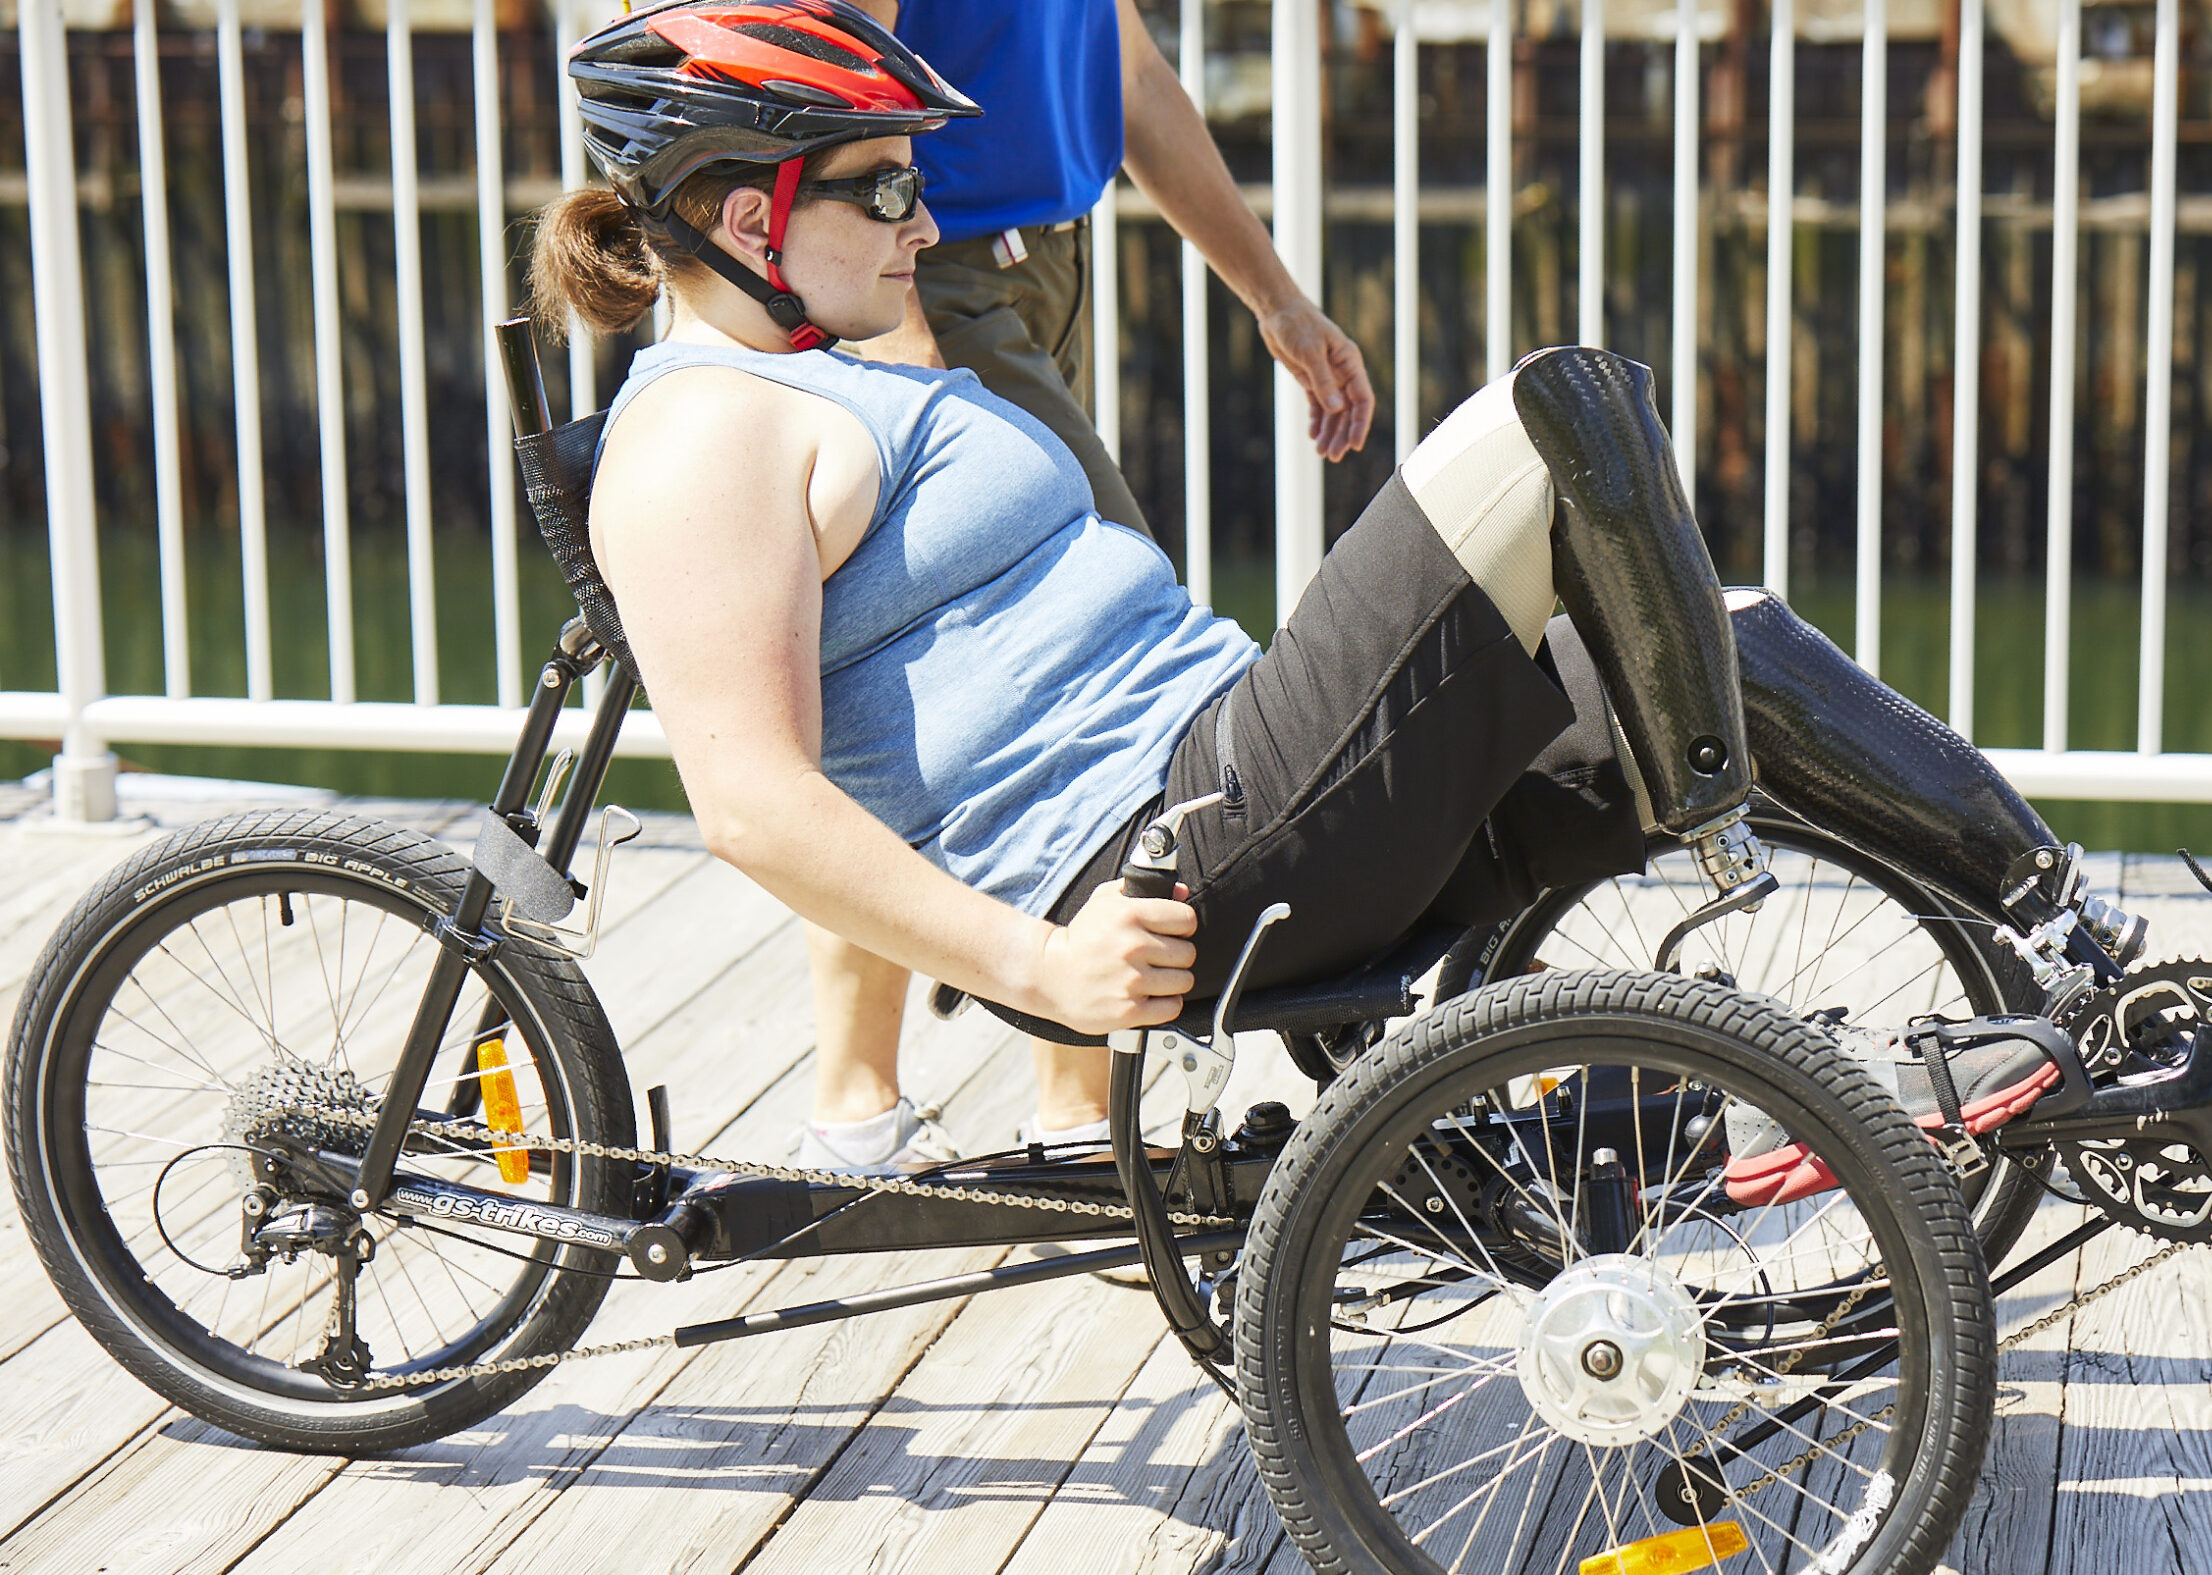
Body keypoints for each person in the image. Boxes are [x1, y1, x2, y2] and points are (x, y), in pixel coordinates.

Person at [546, 0, 1708, 1172]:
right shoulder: (697, 438)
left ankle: (1880, 1065)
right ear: (755, 220)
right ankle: (951, 1110)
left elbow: (1134, 75)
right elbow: (750, 803)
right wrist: (1042, 967)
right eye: (892, 189)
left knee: (1722, 651)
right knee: (1552, 414)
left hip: (1223, 765)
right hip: (1169, 844)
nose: (926, 218)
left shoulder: (820, 382)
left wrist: (1276, 300)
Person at [821, 0, 1377, 1164]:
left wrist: (1273, 292)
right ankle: (1030, 1117)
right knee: (1093, 688)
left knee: (951, 681)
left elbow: (1126, 73)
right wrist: (891, 329)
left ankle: (880, 1107)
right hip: (930, 281)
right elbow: (838, 60)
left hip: (1033, 271)